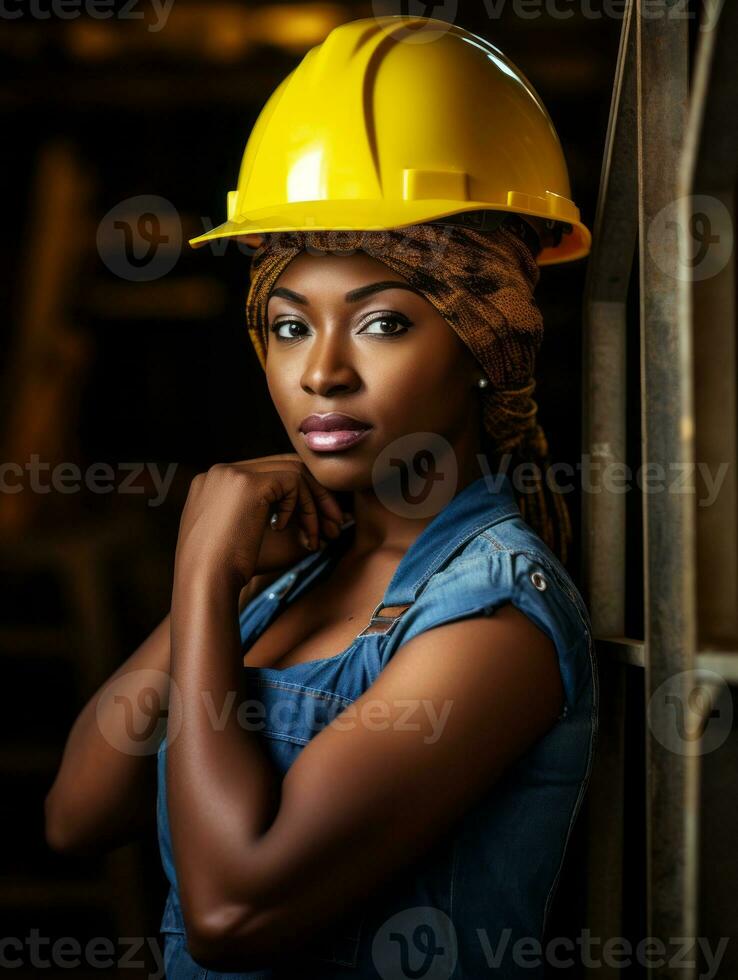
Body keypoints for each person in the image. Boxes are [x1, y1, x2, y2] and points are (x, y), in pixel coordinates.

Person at [45, 15, 598, 979]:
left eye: (382, 324)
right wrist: (211, 590)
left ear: (484, 345)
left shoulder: (493, 620)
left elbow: (230, 909)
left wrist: (204, 567)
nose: (322, 374)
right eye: (291, 327)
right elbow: (79, 815)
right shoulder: (297, 571)